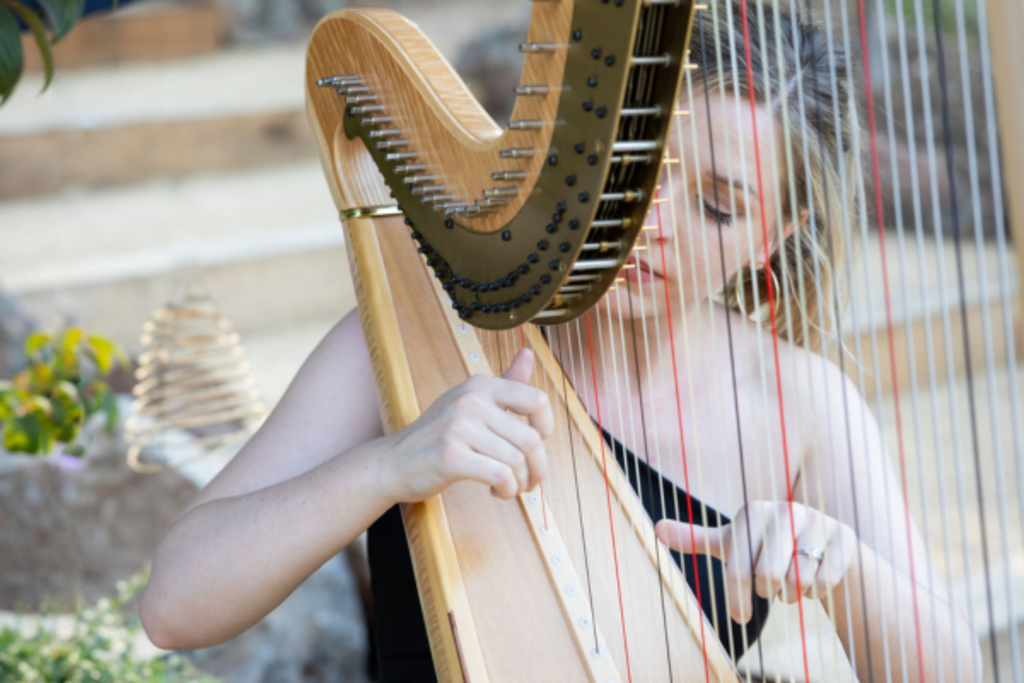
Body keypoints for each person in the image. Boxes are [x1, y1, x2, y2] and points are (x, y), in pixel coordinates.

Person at [140, 1, 980, 680]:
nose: (654, 226)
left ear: (777, 232)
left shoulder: (802, 404)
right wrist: (389, 463)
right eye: (639, 176)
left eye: (718, 206)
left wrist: (842, 568)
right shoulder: (414, 341)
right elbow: (175, 603)